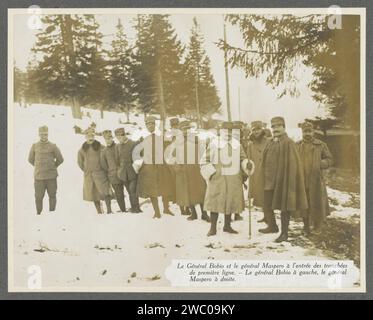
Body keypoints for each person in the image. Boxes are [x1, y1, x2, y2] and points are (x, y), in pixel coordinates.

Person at [259, 117, 308, 242]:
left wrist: (288, 180)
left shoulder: (289, 143)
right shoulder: (270, 142)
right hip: (268, 181)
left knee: (284, 207)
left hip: (283, 181)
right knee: (267, 204)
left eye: (278, 126)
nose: (275, 129)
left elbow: (293, 164)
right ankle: (272, 226)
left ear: (284, 127)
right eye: (273, 126)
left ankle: (284, 233)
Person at [201, 121, 254, 236]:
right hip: (217, 178)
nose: (228, 133)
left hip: (233, 179)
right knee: (214, 202)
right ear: (221, 131)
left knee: (230, 202)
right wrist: (211, 173)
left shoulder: (237, 145)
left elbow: (242, 159)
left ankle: (227, 225)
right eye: (225, 131)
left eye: (230, 131)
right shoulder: (214, 144)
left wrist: (247, 164)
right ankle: (213, 228)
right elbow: (204, 160)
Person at [166, 120, 210, 222]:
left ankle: (204, 214)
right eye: (183, 129)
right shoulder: (177, 142)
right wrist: (177, 167)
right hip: (184, 171)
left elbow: (204, 154)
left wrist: (203, 165)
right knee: (188, 192)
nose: (186, 131)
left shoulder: (197, 140)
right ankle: (193, 213)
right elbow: (171, 158)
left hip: (196, 169)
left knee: (201, 191)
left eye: (188, 128)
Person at [134, 116, 175, 219]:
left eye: (152, 123)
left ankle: (166, 208)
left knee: (165, 187)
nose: (150, 125)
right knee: (152, 190)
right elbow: (139, 153)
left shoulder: (161, 137)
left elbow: (169, 146)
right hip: (149, 168)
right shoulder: (142, 139)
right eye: (148, 124)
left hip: (161, 166)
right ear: (146, 126)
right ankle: (157, 212)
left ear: (155, 125)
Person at [296, 122, 333, 235]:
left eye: (309, 131)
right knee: (304, 203)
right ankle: (306, 226)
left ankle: (317, 226)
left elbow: (330, 159)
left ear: (313, 132)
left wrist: (320, 163)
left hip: (316, 180)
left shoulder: (320, 145)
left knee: (317, 201)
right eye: (305, 132)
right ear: (302, 132)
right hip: (302, 180)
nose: (307, 134)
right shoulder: (297, 145)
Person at [28, 126, 64, 215]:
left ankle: (52, 215)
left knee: (52, 195)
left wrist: (53, 166)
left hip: (51, 177)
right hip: (39, 177)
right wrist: (38, 167)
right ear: (39, 135)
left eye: (45, 134)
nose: (44, 136)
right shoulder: (35, 146)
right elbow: (30, 159)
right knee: (38, 197)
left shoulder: (53, 146)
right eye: (42, 134)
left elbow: (60, 159)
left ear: (48, 134)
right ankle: (38, 214)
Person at [77, 128, 112, 214]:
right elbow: (80, 162)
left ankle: (109, 210)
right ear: (85, 136)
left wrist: (103, 169)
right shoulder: (82, 149)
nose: (90, 137)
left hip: (100, 174)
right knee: (93, 193)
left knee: (105, 191)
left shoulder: (100, 146)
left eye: (92, 135)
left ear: (94, 136)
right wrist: (87, 170)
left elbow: (106, 157)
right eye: (88, 135)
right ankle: (99, 211)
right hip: (89, 175)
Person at [246, 121, 270, 222]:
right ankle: (266, 216)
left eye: (258, 129)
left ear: (262, 130)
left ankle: (270, 218)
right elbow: (249, 159)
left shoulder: (269, 141)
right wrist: (248, 165)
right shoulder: (250, 144)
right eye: (254, 130)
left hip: (267, 173)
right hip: (256, 174)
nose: (256, 132)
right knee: (260, 196)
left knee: (268, 196)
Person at [114, 127, 141, 213]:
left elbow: (139, 157)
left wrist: (137, 167)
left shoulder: (133, 144)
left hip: (133, 171)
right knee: (129, 191)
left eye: (121, 136)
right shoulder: (117, 146)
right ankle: (134, 207)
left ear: (124, 135)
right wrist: (119, 171)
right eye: (118, 137)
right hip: (123, 173)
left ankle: (136, 208)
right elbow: (117, 160)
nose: (120, 138)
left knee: (133, 190)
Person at [100, 130, 127, 213]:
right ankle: (123, 210)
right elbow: (104, 165)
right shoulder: (104, 151)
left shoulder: (118, 146)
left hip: (124, 173)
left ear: (112, 138)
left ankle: (135, 208)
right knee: (119, 194)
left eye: (110, 137)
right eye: (106, 138)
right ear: (104, 139)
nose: (108, 140)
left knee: (130, 191)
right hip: (113, 176)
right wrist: (111, 172)